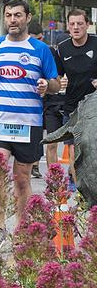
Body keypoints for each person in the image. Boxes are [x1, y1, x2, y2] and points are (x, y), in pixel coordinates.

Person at [0, 0, 59, 222]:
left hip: (28, 123)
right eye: (8, 15)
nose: (12, 20)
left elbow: (55, 84)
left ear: (28, 18)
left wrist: (46, 85)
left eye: (17, 15)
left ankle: (21, 231)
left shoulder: (40, 49)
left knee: (22, 179)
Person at [45, 9, 97, 169]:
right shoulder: (62, 48)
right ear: (68, 26)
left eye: (80, 24)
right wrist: (58, 82)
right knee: (74, 152)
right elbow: (57, 77)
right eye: (72, 24)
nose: (76, 27)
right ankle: (79, 192)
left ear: (87, 25)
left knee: (91, 153)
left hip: (94, 108)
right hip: (72, 109)